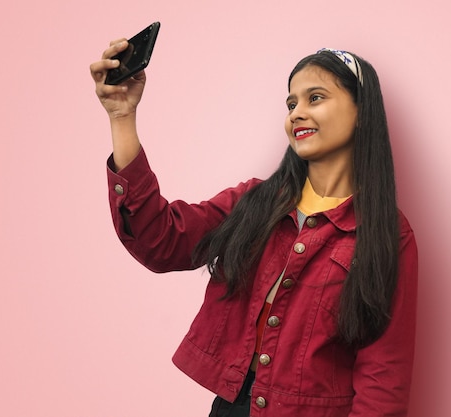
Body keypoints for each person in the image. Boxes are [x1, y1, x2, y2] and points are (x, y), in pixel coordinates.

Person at [90, 39, 418, 417]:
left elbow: (384, 380)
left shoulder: (387, 235)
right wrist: (121, 117)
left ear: (362, 111)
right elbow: (161, 241)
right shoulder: (255, 202)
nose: (297, 113)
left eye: (316, 98)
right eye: (291, 103)